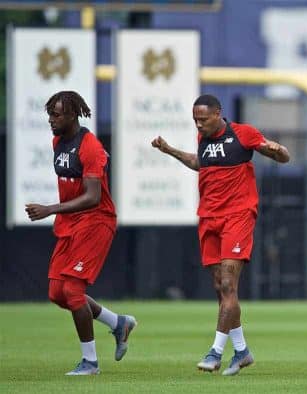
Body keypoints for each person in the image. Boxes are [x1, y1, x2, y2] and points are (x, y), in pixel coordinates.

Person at [151, 94, 290, 376]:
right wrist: (169, 150)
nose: (198, 125)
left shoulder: (243, 134)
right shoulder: (204, 139)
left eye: (203, 119)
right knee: (220, 288)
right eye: (195, 120)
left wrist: (277, 150)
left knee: (228, 285)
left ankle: (215, 352)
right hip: (209, 218)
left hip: (238, 216)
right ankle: (241, 351)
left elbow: (283, 157)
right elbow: (201, 163)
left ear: (218, 114)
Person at [25, 91, 137, 376]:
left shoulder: (90, 147)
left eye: (57, 114)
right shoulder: (58, 142)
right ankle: (118, 323)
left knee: (73, 291)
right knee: (56, 292)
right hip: (71, 223)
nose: (51, 120)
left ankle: (90, 362)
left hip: (96, 221)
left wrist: (51, 208)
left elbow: (92, 197)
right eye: (50, 114)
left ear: (73, 115)